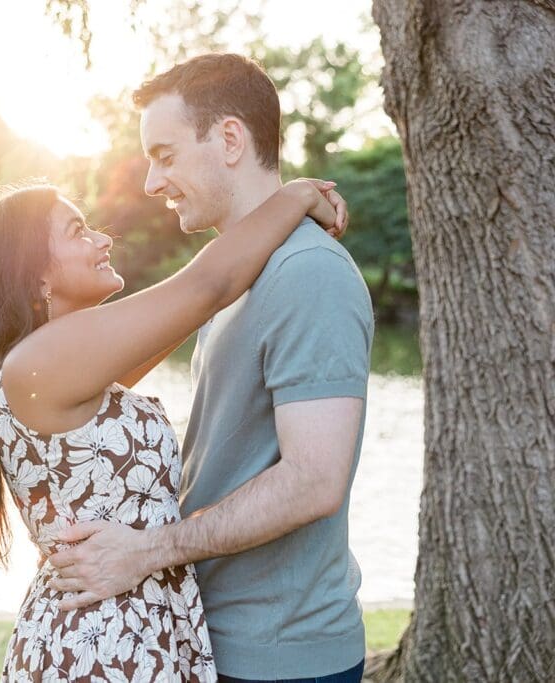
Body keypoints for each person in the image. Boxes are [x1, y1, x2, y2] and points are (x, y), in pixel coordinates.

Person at [0, 168, 347, 678]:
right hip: (102, 645)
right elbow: (207, 287)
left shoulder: (55, 363)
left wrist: (268, 239)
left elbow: (189, 310)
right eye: (77, 231)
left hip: (124, 630)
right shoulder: (42, 363)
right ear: (34, 277)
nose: (102, 239)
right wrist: (297, 195)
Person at [45, 53, 374, 683]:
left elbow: (313, 480)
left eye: (164, 154)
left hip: (280, 657)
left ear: (229, 140)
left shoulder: (309, 275)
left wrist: (146, 551)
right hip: (210, 637)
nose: (150, 182)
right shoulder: (235, 280)